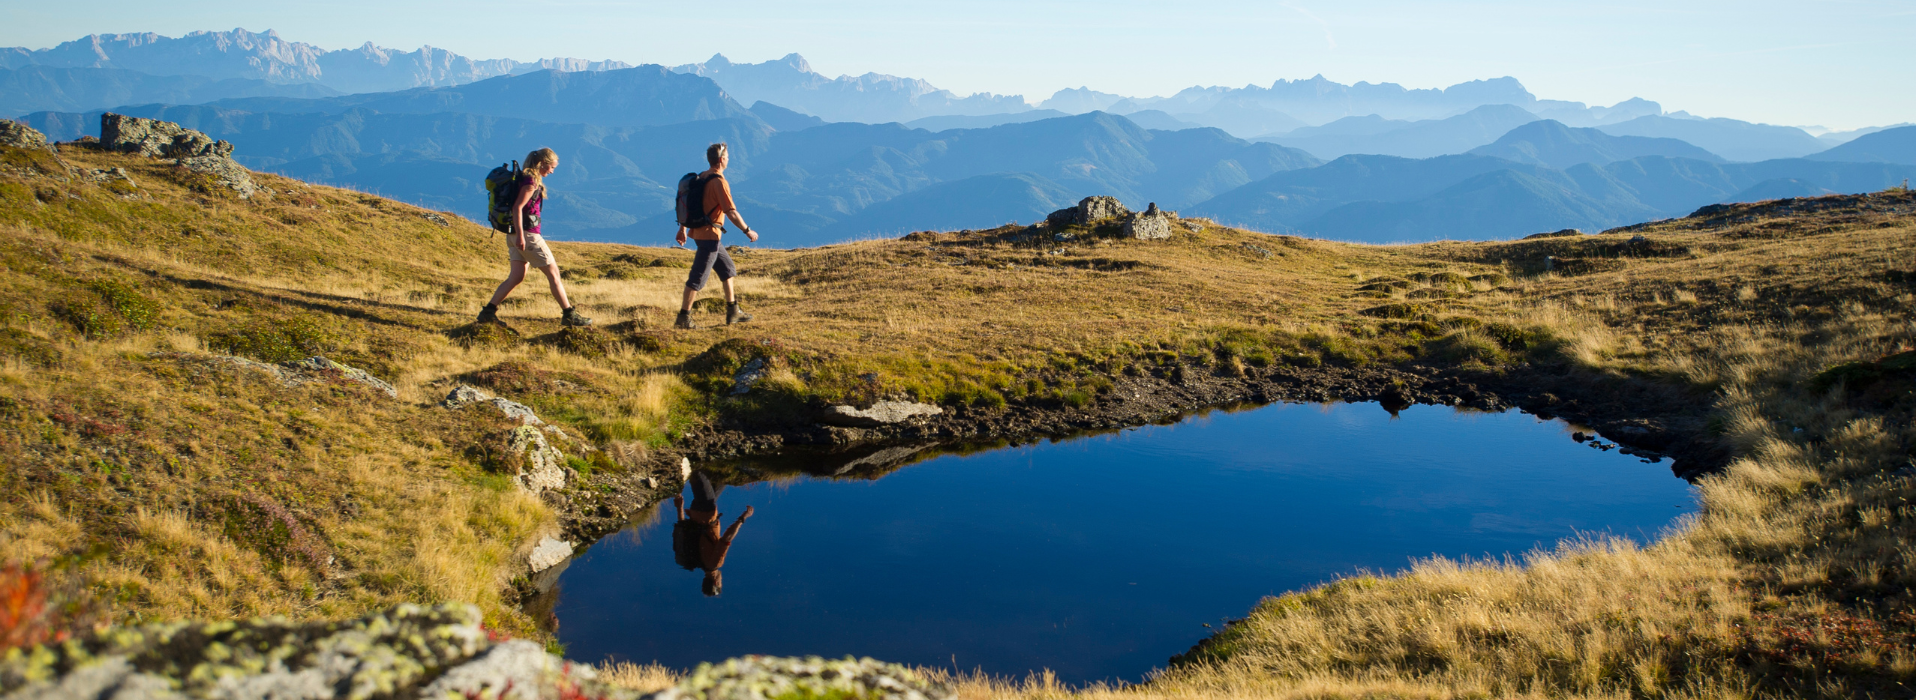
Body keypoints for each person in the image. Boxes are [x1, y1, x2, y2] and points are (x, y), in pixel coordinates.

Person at [477, 147, 592, 327]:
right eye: (552, 167)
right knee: (554, 274)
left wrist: (517, 236)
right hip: (527, 236)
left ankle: (488, 312)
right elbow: (517, 208)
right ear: (543, 164)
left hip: (513, 234)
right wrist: (521, 237)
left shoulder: (523, 178)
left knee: (516, 277)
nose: (552, 171)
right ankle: (569, 314)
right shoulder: (531, 182)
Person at [674, 143, 760, 330]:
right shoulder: (719, 181)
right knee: (697, 278)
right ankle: (683, 318)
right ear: (722, 160)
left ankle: (733, 311)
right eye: (728, 157)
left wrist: (682, 228)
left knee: (727, 269)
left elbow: (691, 205)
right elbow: (731, 212)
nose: (729, 160)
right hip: (709, 236)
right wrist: (748, 231)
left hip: (701, 233)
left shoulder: (702, 177)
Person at [671, 470, 754, 596]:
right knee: (722, 476)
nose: (721, 580)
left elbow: (727, 537)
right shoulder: (696, 561)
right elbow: (683, 531)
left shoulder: (715, 563)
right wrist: (679, 508)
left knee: (696, 474)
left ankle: (682, 463)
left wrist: (743, 517)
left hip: (706, 509)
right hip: (698, 511)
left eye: (720, 583)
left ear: (715, 582)